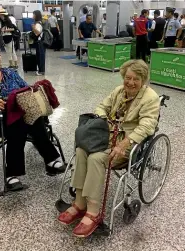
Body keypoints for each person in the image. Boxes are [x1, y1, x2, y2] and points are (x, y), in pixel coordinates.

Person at [58, 59, 160, 238]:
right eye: (128, 78)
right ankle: (80, 203)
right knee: (82, 150)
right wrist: (103, 120)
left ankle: (94, 210)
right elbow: (101, 107)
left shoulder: (150, 98)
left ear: (143, 80)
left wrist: (125, 142)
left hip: (127, 143)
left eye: (136, 79)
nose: (130, 82)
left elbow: (147, 126)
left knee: (96, 158)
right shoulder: (118, 91)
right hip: (106, 135)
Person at [0, 47, 66, 191]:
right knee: (19, 124)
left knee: (34, 118)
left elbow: (25, 89)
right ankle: (11, 176)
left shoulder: (10, 73)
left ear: (0, 59)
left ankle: (51, 161)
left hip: (15, 113)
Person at [32, 10, 48, 76]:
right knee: (39, 56)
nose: (32, 16)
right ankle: (40, 70)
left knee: (41, 56)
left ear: (36, 15)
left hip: (40, 42)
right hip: (39, 42)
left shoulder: (38, 24)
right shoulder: (38, 23)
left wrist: (33, 28)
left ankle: (41, 71)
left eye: (33, 14)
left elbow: (37, 32)